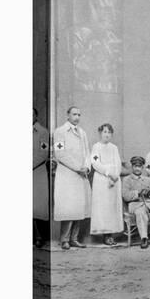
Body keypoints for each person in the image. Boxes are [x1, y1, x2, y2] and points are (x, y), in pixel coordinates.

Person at [53, 106, 91, 250]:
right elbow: (60, 154)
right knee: (68, 207)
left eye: (79, 115)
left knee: (79, 208)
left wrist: (86, 167)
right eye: (74, 114)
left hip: (81, 175)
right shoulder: (60, 132)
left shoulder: (82, 133)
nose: (77, 117)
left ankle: (74, 239)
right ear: (67, 115)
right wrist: (77, 167)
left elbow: (87, 153)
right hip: (67, 175)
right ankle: (64, 239)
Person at [89, 123, 123, 245]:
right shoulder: (96, 147)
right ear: (100, 133)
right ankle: (105, 234)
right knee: (103, 207)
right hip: (102, 180)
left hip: (114, 180)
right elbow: (95, 163)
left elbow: (118, 163)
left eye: (109, 132)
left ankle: (111, 234)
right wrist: (108, 173)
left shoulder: (114, 148)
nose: (107, 134)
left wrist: (116, 175)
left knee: (112, 207)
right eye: (104, 132)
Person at [33, 108, 50, 248]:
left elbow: (43, 154)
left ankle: (39, 237)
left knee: (37, 206)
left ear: (36, 116)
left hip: (37, 172)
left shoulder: (43, 133)